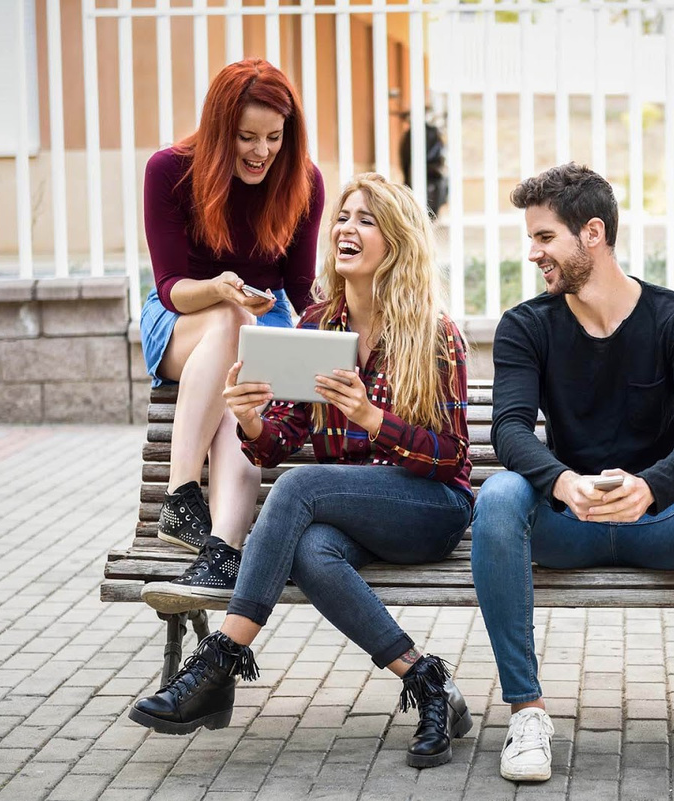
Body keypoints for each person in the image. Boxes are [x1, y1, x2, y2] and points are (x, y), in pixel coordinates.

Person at [129, 175, 477, 767]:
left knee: (298, 488)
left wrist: (371, 417)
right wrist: (252, 421)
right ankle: (428, 681)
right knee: (312, 550)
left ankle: (218, 662)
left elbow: (451, 458)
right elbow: (280, 443)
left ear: (396, 240)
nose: (346, 228)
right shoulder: (318, 324)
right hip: (348, 517)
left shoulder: (433, 333)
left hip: (429, 509)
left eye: (366, 220)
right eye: (343, 217)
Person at [470, 163, 674, 796]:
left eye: (545, 237)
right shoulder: (526, 325)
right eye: (532, 238)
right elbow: (511, 430)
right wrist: (561, 484)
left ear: (593, 234)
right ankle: (526, 714)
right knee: (497, 494)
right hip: (567, 525)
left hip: (661, 523)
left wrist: (651, 487)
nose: (533, 253)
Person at [139, 58, 325, 613]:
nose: (261, 151)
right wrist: (222, 289)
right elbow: (171, 287)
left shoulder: (303, 181)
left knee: (241, 403)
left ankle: (222, 548)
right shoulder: (168, 171)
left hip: (254, 323)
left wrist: (330, 331)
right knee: (229, 322)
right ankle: (178, 494)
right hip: (183, 320)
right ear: (221, 131)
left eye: (273, 137)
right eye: (246, 137)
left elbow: (298, 286)